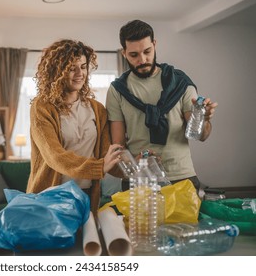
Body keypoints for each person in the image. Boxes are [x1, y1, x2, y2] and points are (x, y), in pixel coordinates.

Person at [106, 20, 218, 190]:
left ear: (154, 44)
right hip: (139, 178)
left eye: (147, 51)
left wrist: (204, 119)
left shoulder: (179, 83)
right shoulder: (117, 90)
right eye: (134, 55)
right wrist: (134, 162)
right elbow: (118, 146)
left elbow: (200, 135)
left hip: (181, 177)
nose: (142, 60)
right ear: (124, 53)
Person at [26, 39, 122, 214]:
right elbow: (55, 156)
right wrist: (98, 167)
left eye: (83, 66)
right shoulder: (42, 107)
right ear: (57, 71)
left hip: (86, 196)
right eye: (72, 68)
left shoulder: (97, 109)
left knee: (88, 241)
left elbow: (105, 156)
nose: (80, 73)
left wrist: (138, 165)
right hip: (50, 196)